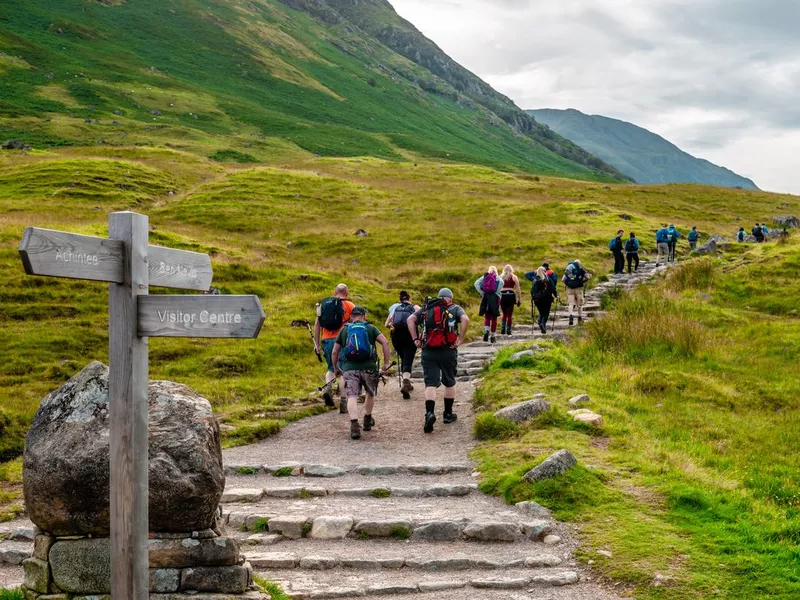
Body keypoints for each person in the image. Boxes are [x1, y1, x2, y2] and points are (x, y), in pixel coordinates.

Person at [406, 288, 469, 434]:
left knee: (430, 383)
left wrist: (415, 339)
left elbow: (410, 320)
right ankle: (448, 414)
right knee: (449, 381)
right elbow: (465, 319)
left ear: (439, 297)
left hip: (428, 350)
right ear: (450, 298)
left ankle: (429, 413)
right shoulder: (455, 308)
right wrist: (461, 338)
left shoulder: (426, 308)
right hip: (449, 349)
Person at [332, 307, 392, 440]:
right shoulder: (370, 328)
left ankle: (354, 425)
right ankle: (367, 419)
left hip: (349, 368)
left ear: (352, 316)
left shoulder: (345, 329)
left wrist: (336, 368)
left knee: (352, 395)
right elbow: (385, 342)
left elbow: (335, 351)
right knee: (370, 393)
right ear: (364, 316)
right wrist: (386, 363)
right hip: (369, 367)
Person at [315, 284, 355, 412]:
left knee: (331, 368)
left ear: (335, 292)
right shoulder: (350, 305)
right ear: (346, 293)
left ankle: (328, 388)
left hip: (326, 339)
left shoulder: (323, 305)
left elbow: (317, 325)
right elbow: (355, 326)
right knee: (343, 370)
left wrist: (317, 344)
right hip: (343, 340)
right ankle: (343, 402)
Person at [385, 291, 420, 399]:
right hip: (410, 335)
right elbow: (421, 320)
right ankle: (406, 382)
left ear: (400, 299)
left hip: (396, 336)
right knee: (408, 358)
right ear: (410, 299)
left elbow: (387, 325)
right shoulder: (415, 307)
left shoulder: (395, 308)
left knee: (403, 357)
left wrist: (393, 326)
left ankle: (407, 382)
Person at [474, 266, 502, 344]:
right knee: (494, 318)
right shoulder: (497, 278)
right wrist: (496, 292)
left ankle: (486, 331)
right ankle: (493, 335)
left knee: (487, 316)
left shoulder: (485, 277)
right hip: (495, 299)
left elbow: (476, 283)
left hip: (486, 297)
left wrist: (482, 292)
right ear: (496, 271)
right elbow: (502, 283)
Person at [562, 259, 591, 326]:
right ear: (579, 264)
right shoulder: (580, 269)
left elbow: (563, 279)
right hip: (578, 289)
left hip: (569, 289)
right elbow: (588, 277)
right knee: (579, 304)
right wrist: (583, 281)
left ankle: (571, 316)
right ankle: (580, 318)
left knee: (571, 304)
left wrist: (568, 284)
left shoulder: (569, 269)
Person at [529, 266, 556, 333]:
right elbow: (553, 288)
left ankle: (540, 322)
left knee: (541, 312)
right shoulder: (548, 279)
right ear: (544, 272)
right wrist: (556, 295)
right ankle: (543, 323)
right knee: (546, 312)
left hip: (537, 299)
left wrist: (533, 297)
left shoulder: (535, 280)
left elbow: (532, 290)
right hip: (547, 298)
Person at [499, 265, 522, 336]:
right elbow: (518, 288)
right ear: (511, 270)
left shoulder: (500, 277)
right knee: (509, 314)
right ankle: (508, 330)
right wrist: (519, 298)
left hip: (502, 295)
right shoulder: (514, 277)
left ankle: (503, 329)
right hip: (511, 295)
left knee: (504, 314)